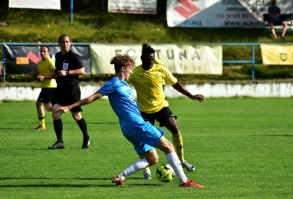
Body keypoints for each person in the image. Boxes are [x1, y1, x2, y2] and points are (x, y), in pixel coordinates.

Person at [56, 54, 204, 188]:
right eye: (130, 69)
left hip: (130, 128)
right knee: (168, 146)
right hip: (136, 125)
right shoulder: (113, 83)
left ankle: (121, 177)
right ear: (123, 69)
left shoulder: (125, 85)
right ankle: (184, 181)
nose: (132, 72)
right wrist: (69, 106)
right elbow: (92, 98)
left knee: (152, 159)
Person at [127, 45, 205, 179]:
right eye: (147, 59)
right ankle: (145, 167)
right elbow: (122, 83)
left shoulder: (161, 69)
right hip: (144, 111)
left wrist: (191, 95)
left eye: (152, 59)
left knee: (175, 128)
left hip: (161, 107)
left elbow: (175, 83)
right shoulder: (135, 73)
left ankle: (181, 160)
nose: (150, 62)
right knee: (143, 139)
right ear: (142, 58)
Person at [48, 34, 91, 149]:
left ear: (70, 43)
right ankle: (60, 142)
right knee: (55, 112)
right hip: (60, 89)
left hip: (72, 89)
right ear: (59, 44)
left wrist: (67, 73)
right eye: (63, 42)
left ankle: (86, 137)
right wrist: (55, 73)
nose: (65, 44)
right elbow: (58, 68)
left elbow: (82, 71)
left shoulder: (74, 56)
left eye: (67, 42)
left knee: (76, 115)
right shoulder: (58, 56)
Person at [30, 45, 56, 130]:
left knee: (38, 103)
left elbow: (55, 74)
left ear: (48, 52)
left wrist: (45, 78)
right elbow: (41, 75)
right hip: (45, 87)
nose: (42, 53)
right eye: (41, 51)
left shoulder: (50, 62)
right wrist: (35, 74)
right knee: (48, 108)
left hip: (50, 86)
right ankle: (62, 107)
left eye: (44, 51)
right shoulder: (40, 62)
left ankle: (42, 125)